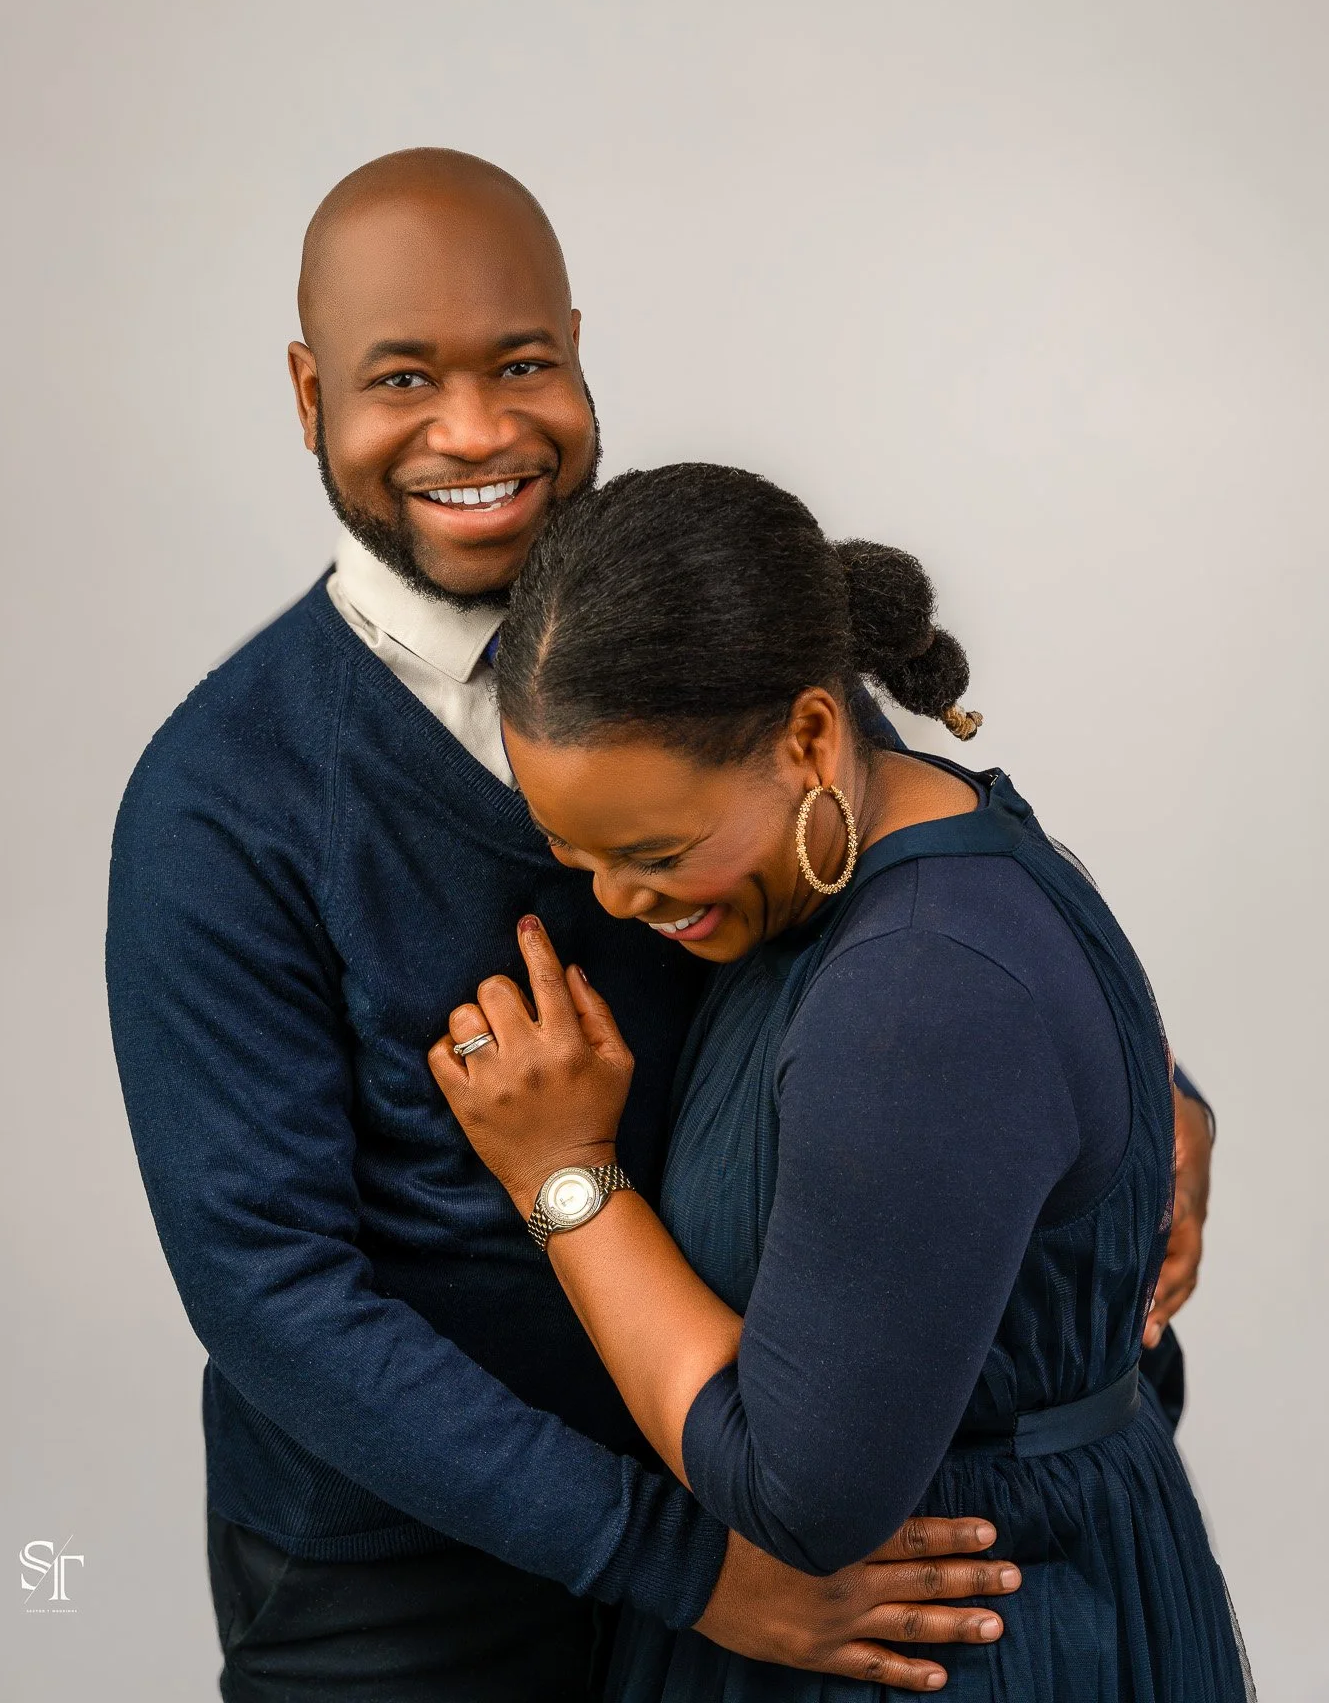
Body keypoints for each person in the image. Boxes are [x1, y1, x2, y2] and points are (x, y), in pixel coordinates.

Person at [107, 150, 1212, 1699]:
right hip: (427, 1591)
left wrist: (1130, 1087)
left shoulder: (699, 629)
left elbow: (917, 907)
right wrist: (683, 1565)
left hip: (768, 1505)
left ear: (578, 347)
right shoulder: (219, 804)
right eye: (400, 377)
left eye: (522, 364)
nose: (477, 429)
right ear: (308, 395)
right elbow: (273, 1295)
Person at [430, 462, 1252, 1701]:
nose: (615, 901)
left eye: (655, 851)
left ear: (810, 732)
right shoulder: (895, 855)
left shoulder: (915, 985)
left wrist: (565, 1177)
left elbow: (800, 1500)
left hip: (941, 1652)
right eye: (575, 852)